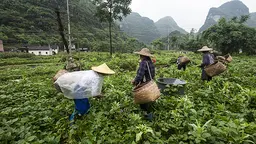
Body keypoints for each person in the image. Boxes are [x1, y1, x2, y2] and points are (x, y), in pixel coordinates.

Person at [131, 48, 155, 121]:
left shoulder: (143, 62)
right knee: (148, 99)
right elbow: (152, 74)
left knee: (143, 100)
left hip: (144, 84)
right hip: (150, 83)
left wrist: (135, 81)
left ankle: (146, 117)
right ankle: (149, 114)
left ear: (141, 55)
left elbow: (140, 75)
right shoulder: (150, 62)